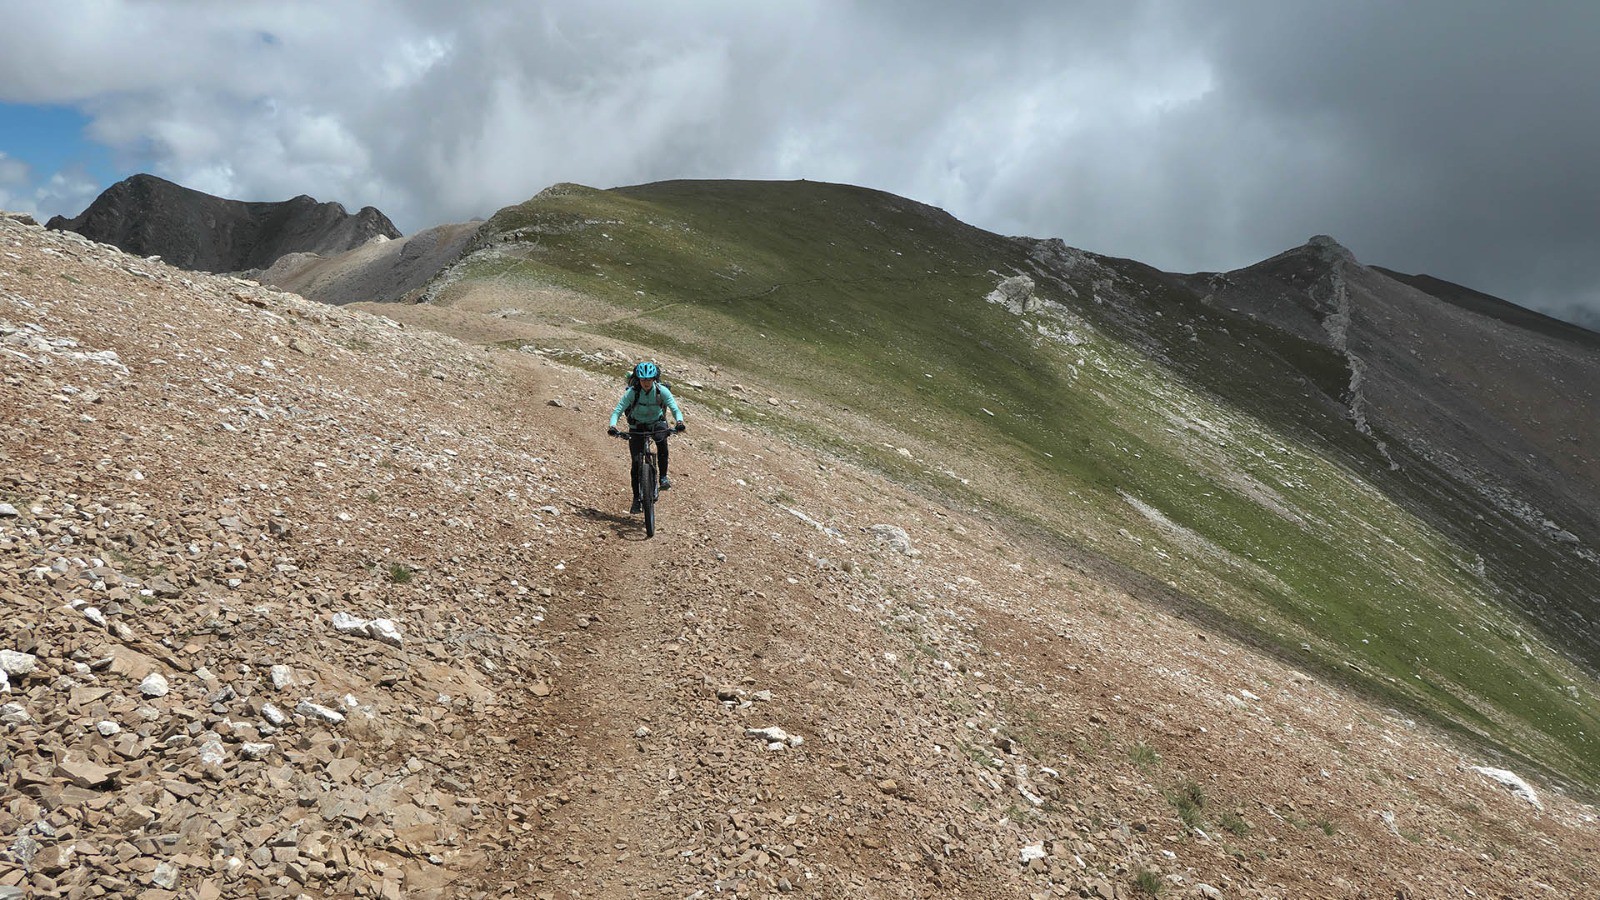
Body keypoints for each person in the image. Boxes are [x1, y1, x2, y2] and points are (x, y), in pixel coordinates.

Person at [607, 361, 686, 513]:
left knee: (662, 440)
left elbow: (675, 408)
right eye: (643, 380)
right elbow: (617, 410)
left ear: (654, 379)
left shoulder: (661, 390)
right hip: (637, 426)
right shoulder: (632, 392)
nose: (646, 383)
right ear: (638, 379)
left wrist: (680, 422)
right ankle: (636, 499)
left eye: (649, 379)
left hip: (656, 422)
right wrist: (613, 426)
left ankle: (663, 477)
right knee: (636, 464)